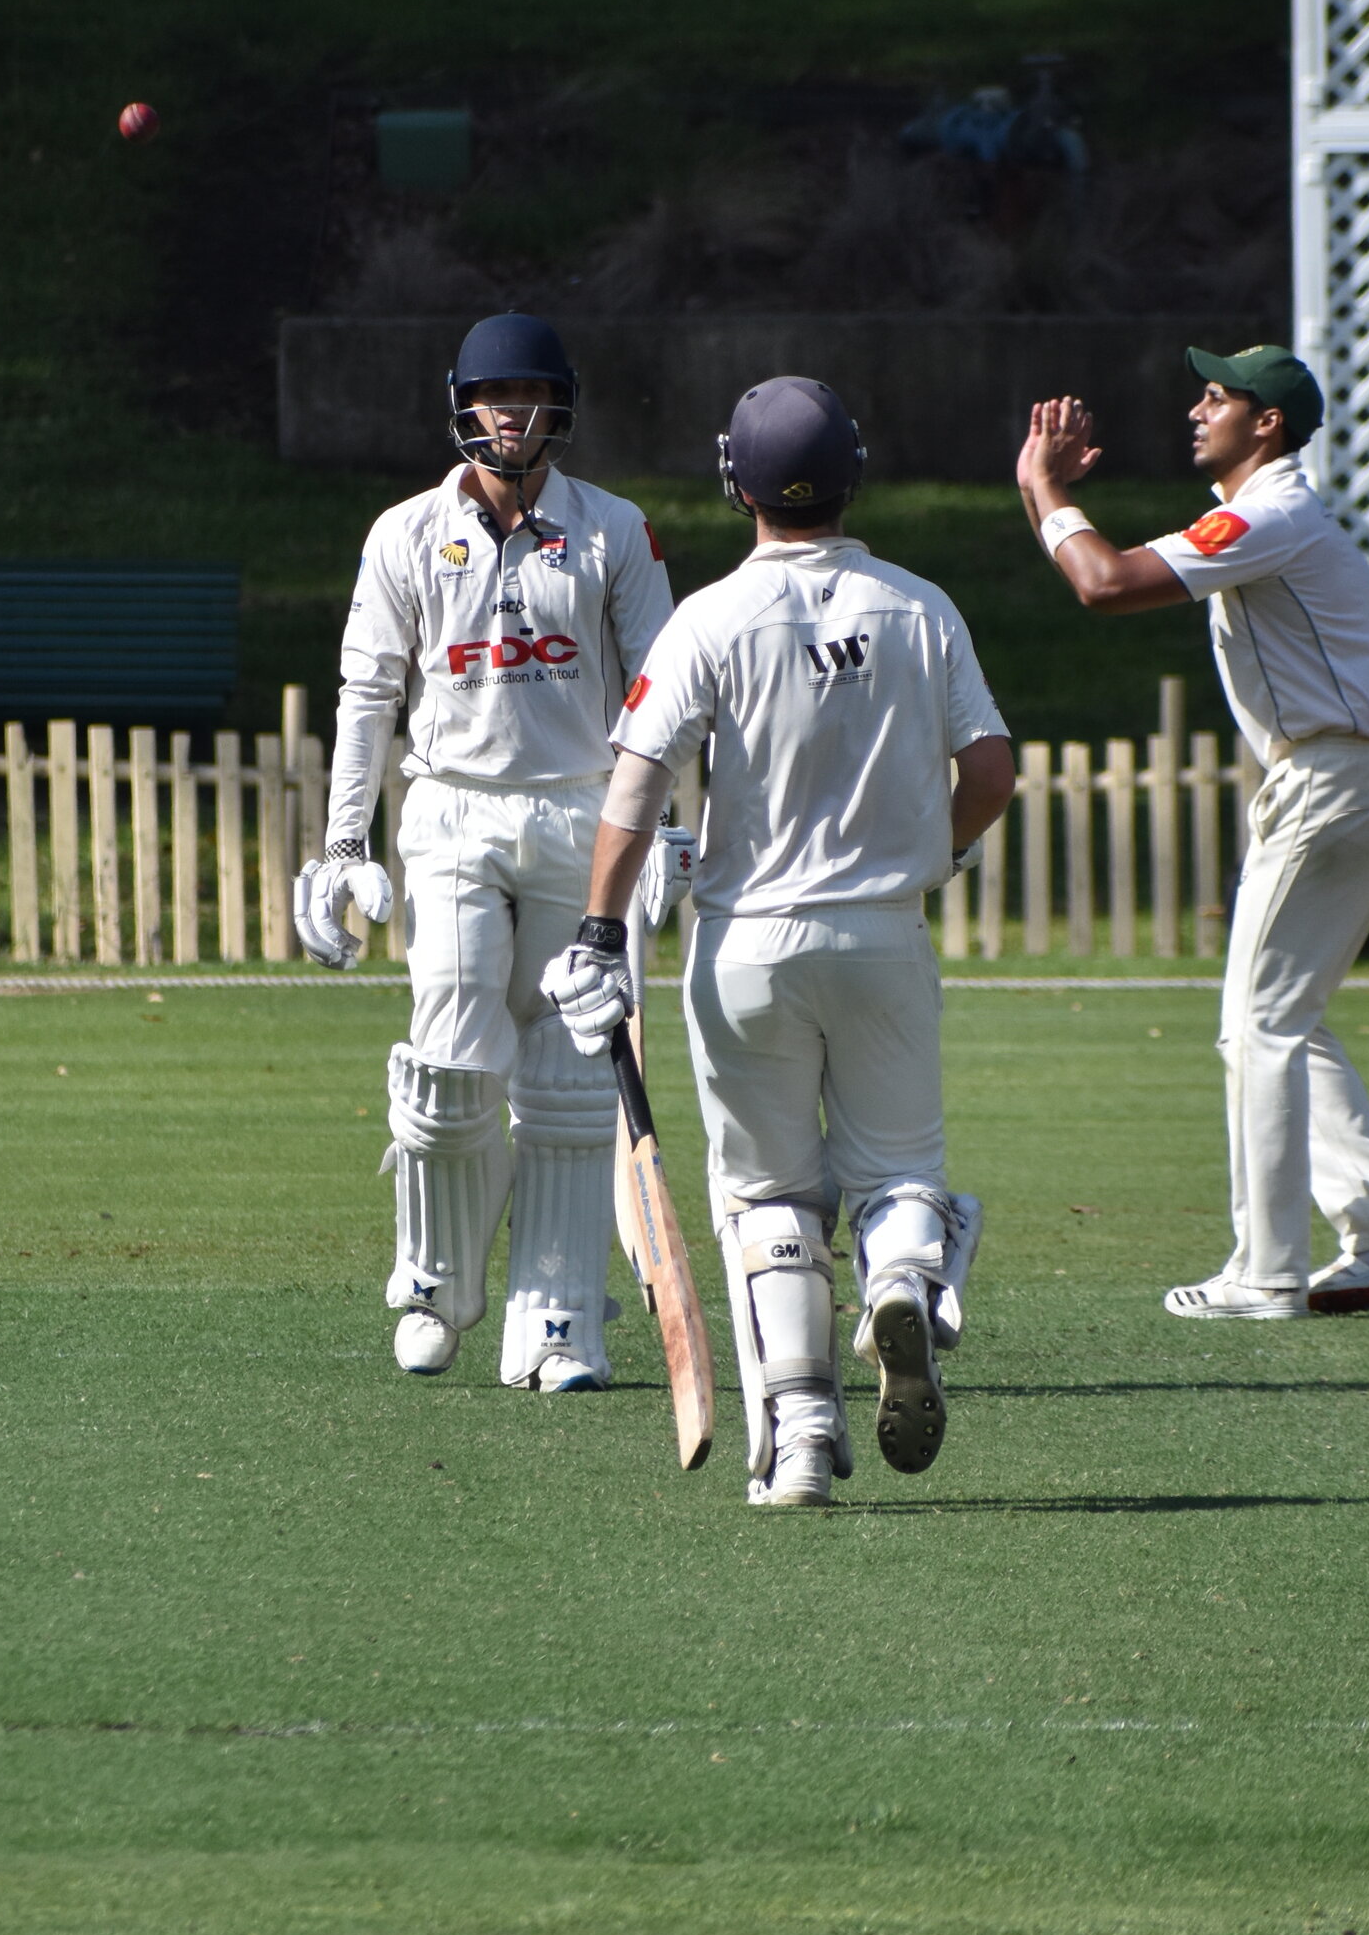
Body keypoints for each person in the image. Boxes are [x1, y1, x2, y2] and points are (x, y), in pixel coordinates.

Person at [540, 377, 1013, 1508]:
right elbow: (991, 772)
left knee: (769, 1197)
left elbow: (636, 786)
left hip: (747, 945)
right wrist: (933, 856)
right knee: (899, 1172)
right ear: (854, 473)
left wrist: (599, 931)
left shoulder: (710, 616)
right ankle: (900, 1277)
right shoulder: (920, 606)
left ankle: (800, 1440)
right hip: (883, 937)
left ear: (735, 482)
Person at [1015, 344, 1369, 1324]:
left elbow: (1105, 584)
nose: (1196, 410)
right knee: (1279, 1019)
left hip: (1333, 778)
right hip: (1356, 775)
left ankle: (1264, 1272)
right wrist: (1043, 491)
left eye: (1218, 398)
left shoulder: (1269, 513)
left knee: (1261, 1025)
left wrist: (1047, 489)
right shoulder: (1268, 513)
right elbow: (1100, 577)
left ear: (1268, 422)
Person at [294, 311, 678, 1390]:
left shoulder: (613, 529)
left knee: (566, 1075)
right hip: (451, 810)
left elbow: (665, 688)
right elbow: (367, 693)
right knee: (451, 1059)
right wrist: (341, 844)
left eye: (530, 395)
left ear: (559, 407)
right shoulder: (405, 533)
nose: (512, 414)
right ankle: (435, 1284)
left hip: (579, 810)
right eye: (493, 396)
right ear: (462, 405)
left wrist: (661, 824)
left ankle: (555, 1317)